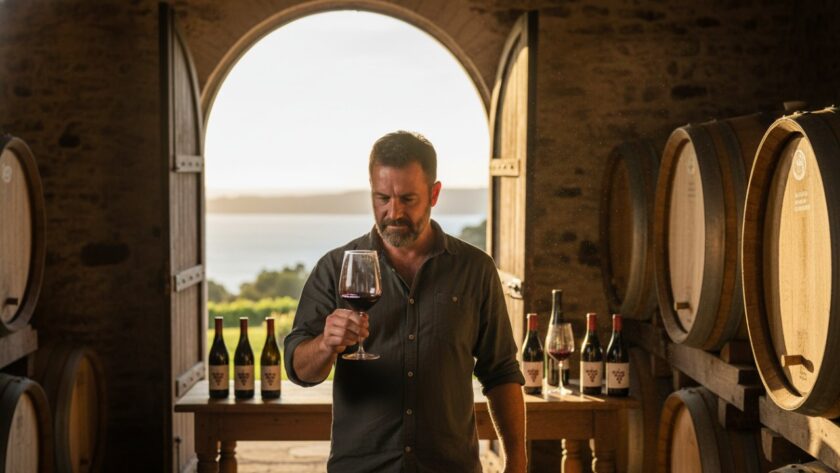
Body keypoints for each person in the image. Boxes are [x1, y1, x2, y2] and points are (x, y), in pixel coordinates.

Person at [284, 130, 526, 473]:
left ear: (434, 193)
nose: (393, 212)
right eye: (382, 197)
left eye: (407, 199)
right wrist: (326, 344)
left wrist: (516, 461)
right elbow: (298, 369)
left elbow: (501, 371)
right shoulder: (335, 267)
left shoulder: (475, 269)